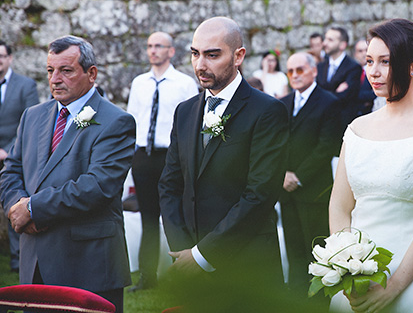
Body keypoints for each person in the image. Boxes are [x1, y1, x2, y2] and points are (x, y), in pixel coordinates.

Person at [329, 18, 413, 313]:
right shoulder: (356, 129)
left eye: (385, 62)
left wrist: (392, 287)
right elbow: (340, 207)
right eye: (369, 61)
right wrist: (349, 268)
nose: (373, 72)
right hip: (359, 279)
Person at [158, 17, 289, 305]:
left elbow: (260, 194)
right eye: (195, 53)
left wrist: (203, 255)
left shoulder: (268, 112)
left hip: (247, 267)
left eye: (212, 54)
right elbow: (169, 184)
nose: (200, 64)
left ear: (238, 56)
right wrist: (184, 252)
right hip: (189, 267)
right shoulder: (185, 112)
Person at [0, 35, 135, 313]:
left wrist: (35, 209)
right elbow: (11, 170)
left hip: (88, 267)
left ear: (91, 73)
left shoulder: (116, 121)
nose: (55, 79)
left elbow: (97, 187)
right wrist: (16, 206)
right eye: (50, 71)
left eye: (66, 70)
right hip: (36, 262)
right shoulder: (33, 116)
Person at [126, 32, 198, 292]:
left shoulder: (184, 83)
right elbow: (132, 119)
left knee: (175, 216)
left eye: (159, 46)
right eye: (149, 46)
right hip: (143, 156)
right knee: (147, 218)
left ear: (171, 51)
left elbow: (190, 122)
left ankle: (183, 276)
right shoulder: (139, 83)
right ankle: (147, 277)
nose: (153, 50)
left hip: (171, 157)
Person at [279, 52, 339, 299]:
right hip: (285, 189)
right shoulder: (282, 103)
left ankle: (319, 299)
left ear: (314, 71)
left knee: (316, 248)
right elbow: (276, 143)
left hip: (314, 190)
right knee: (293, 248)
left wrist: (298, 176)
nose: (294, 75)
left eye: (300, 70)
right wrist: (282, 174)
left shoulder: (329, 102)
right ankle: (295, 296)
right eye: (290, 71)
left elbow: (327, 146)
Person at [0, 41, 39, 273]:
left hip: (12, 156)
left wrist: (7, 150)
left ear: (10, 58)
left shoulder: (26, 86)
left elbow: (31, 125)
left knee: (14, 204)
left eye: (2, 56)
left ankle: (18, 259)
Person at [316, 27, 362, 139]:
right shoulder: (320, 66)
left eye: (330, 40)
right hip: (321, 125)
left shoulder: (353, 67)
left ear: (342, 45)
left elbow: (346, 97)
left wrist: (324, 93)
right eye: (325, 39)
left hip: (342, 126)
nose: (325, 43)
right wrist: (335, 91)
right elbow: (316, 93)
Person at [353, 38, 376, 116]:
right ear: (355, 54)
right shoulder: (350, 71)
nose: (364, 54)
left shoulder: (375, 71)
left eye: (366, 50)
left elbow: (375, 94)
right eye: (360, 51)